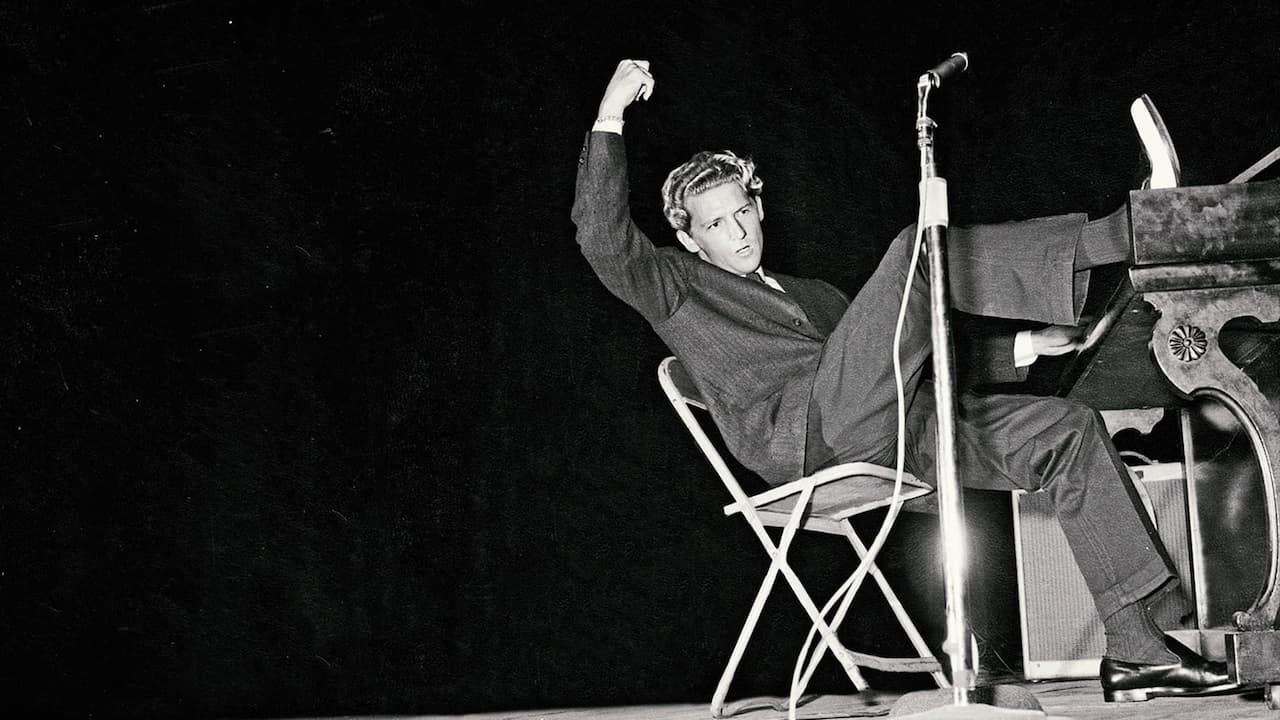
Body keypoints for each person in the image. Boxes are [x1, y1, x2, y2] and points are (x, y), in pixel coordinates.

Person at [572, 58, 1235, 702]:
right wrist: (610, 113)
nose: (737, 232)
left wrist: (1023, 347)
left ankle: (1140, 651)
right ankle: (1134, 229)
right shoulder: (678, 287)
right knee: (918, 249)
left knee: (1067, 430)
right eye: (715, 224)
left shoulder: (818, 296)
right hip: (814, 436)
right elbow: (602, 240)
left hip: (902, 430)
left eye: (741, 210)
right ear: (692, 241)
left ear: (759, 206)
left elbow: (908, 360)